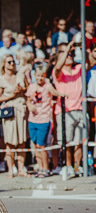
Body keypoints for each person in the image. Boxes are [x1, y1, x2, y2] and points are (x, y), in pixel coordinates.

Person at [26, 64, 65, 178]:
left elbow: (55, 93)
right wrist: (30, 106)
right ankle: (40, 166)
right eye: (38, 76)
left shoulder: (47, 86)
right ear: (35, 75)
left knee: (41, 145)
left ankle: (46, 168)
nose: (40, 78)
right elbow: (28, 99)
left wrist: (62, 94)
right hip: (32, 119)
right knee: (35, 145)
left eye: (42, 76)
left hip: (43, 119)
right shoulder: (32, 87)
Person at [52, 41, 84, 178]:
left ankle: (77, 166)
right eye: (67, 54)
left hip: (80, 109)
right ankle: (69, 166)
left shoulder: (79, 69)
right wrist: (69, 46)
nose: (69, 56)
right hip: (65, 111)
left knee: (80, 142)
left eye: (71, 54)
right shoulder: (58, 72)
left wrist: (81, 46)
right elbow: (58, 65)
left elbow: (91, 60)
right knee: (67, 142)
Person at [0, 54, 29, 178]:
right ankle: (10, 168)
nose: (12, 64)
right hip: (9, 111)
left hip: (20, 109)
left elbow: (26, 88)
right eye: (9, 62)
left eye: (13, 61)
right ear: (4, 64)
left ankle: (21, 168)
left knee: (22, 141)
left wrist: (21, 89)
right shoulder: (1, 80)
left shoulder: (19, 75)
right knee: (10, 141)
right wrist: (12, 95)